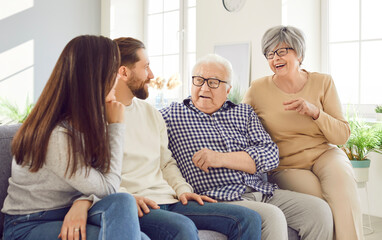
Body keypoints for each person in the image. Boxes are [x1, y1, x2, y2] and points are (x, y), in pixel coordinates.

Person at [160, 53, 334, 240]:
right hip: (219, 198)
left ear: (228, 90)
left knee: (319, 211)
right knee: (272, 217)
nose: (204, 88)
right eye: (198, 80)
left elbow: (270, 155)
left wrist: (220, 158)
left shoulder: (243, 112)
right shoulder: (170, 116)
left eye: (213, 82)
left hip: (262, 191)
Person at [113, 37, 262, 240]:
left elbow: (166, 163)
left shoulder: (152, 114)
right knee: (183, 228)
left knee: (249, 219)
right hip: (138, 204)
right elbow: (97, 175)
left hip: (171, 200)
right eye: (146, 67)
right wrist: (125, 198)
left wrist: (183, 190)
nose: (152, 75)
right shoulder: (98, 118)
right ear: (123, 72)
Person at [1, 35, 145, 240]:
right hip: (29, 223)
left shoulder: (88, 121)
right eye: (113, 71)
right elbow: (108, 188)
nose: (118, 78)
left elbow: (99, 183)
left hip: (67, 210)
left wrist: (83, 201)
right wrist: (116, 127)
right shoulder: (57, 136)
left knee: (124, 203)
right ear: (96, 77)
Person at [242, 25, 363, 240]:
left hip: (325, 155)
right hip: (288, 165)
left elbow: (342, 135)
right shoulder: (257, 89)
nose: (275, 58)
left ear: (299, 53)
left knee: (344, 194)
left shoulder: (323, 82)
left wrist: (316, 112)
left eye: (281, 51)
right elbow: (238, 125)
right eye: (269, 54)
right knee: (320, 205)